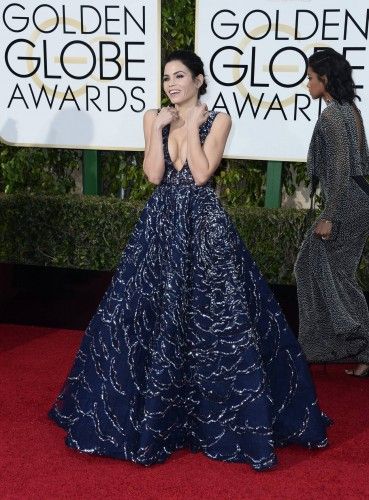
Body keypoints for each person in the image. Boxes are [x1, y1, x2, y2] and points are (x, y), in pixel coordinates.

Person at [49, 50, 329, 471]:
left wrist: (195, 129)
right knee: (143, 313)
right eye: (166, 77)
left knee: (215, 318)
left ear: (199, 80)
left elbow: (200, 174)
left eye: (180, 76)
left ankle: (213, 419)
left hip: (204, 229)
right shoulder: (153, 117)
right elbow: (153, 175)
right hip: (160, 226)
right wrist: (158, 130)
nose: (172, 83)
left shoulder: (218, 120)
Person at [295, 48, 369, 377]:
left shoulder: (332, 116)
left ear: (324, 79)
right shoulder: (348, 109)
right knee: (323, 270)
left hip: (348, 203)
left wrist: (331, 215)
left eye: (311, 77)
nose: (306, 83)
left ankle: (352, 345)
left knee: (325, 272)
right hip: (357, 199)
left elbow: (341, 170)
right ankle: (338, 348)